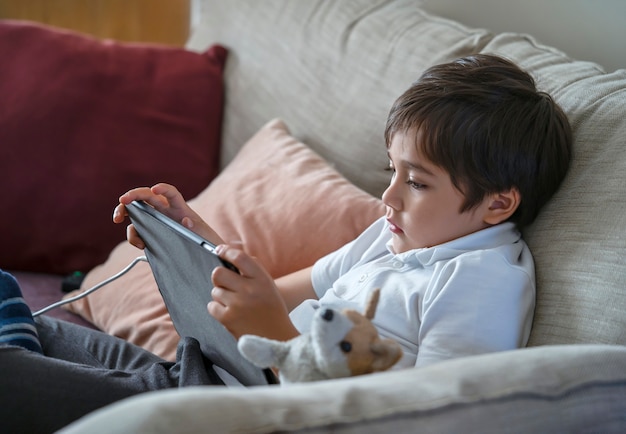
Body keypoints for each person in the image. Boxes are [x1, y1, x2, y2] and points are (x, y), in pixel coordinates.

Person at [0, 54, 572, 432]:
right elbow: (269, 295)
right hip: (201, 374)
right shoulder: (394, 234)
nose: (388, 198)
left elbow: (424, 418)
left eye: (417, 183)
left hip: (237, 415)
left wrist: (274, 334)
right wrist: (192, 239)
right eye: (391, 171)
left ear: (499, 203)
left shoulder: (482, 282)